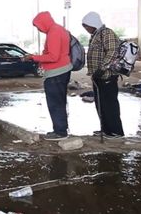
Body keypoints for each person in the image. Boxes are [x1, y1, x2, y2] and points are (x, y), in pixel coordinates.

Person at [24, 12, 72, 140]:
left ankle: (60, 132)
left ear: (43, 22)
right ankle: (61, 129)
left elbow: (53, 56)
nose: (38, 29)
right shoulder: (59, 29)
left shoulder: (54, 32)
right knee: (60, 102)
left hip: (56, 73)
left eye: (38, 26)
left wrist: (33, 57)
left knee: (55, 103)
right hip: (62, 71)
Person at [82, 11, 124, 139]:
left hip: (107, 76)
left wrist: (102, 68)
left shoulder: (107, 33)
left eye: (86, 26)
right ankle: (106, 130)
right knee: (101, 104)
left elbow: (112, 52)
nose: (86, 29)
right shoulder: (96, 35)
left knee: (110, 104)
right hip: (98, 76)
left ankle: (116, 131)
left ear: (93, 24)